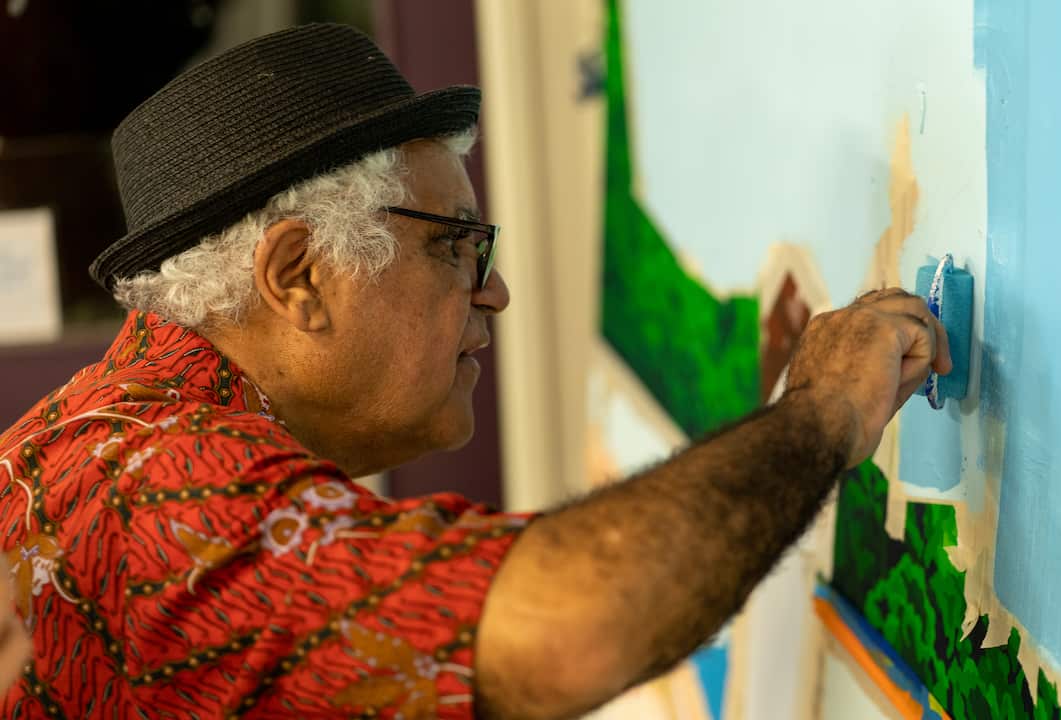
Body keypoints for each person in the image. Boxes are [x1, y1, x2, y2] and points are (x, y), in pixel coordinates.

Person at [0, 23, 950, 720]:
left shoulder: (103, 431)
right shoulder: (168, 501)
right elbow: (573, 628)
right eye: (454, 245)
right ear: (298, 277)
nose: (492, 294)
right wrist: (825, 407)